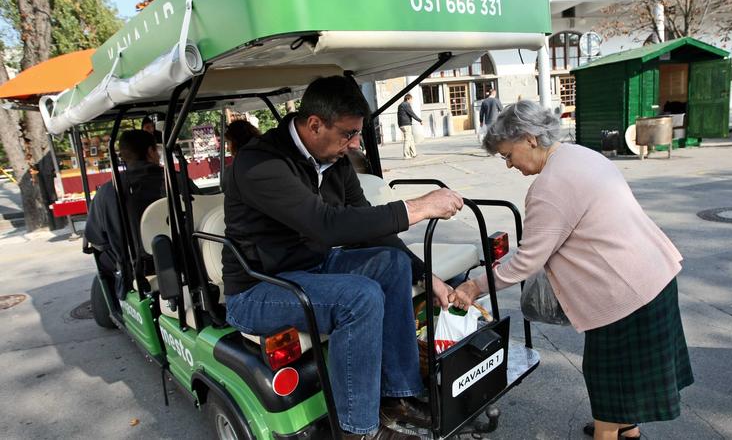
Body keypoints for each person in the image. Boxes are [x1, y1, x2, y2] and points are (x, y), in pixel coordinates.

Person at [222, 76, 462, 440]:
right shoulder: (260, 163)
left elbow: (369, 226)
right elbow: (325, 225)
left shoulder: (334, 160)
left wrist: (428, 277)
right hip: (259, 288)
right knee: (360, 296)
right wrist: (418, 207)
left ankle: (397, 397)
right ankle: (356, 430)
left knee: (391, 263)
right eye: (348, 134)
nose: (354, 144)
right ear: (315, 124)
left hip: (312, 268)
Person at [449, 100, 693, 440]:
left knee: (608, 386)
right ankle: (629, 430)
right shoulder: (581, 155)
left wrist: (474, 286)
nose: (508, 165)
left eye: (507, 154)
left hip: (625, 294)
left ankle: (611, 431)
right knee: (624, 379)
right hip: (652, 274)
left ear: (529, 139)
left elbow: (528, 259)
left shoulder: (551, 185)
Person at [85, 130, 167, 298]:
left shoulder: (107, 192)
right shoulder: (175, 180)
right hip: (184, 257)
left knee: (102, 254)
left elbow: (96, 237)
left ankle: (119, 298)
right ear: (151, 152)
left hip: (138, 266)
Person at [397, 93, 421, 159]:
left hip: (402, 124)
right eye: (411, 100)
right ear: (408, 99)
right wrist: (420, 120)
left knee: (411, 139)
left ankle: (413, 153)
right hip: (406, 124)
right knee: (407, 140)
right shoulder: (406, 104)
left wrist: (400, 124)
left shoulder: (400, 105)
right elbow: (412, 113)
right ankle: (406, 155)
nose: (411, 101)